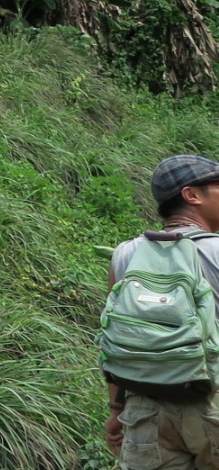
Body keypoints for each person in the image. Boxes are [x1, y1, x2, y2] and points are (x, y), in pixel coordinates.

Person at [107, 155, 219, 466]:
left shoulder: (125, 255)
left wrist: (117, 410)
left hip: (146, 410)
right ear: (192, 195)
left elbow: (115, 339)